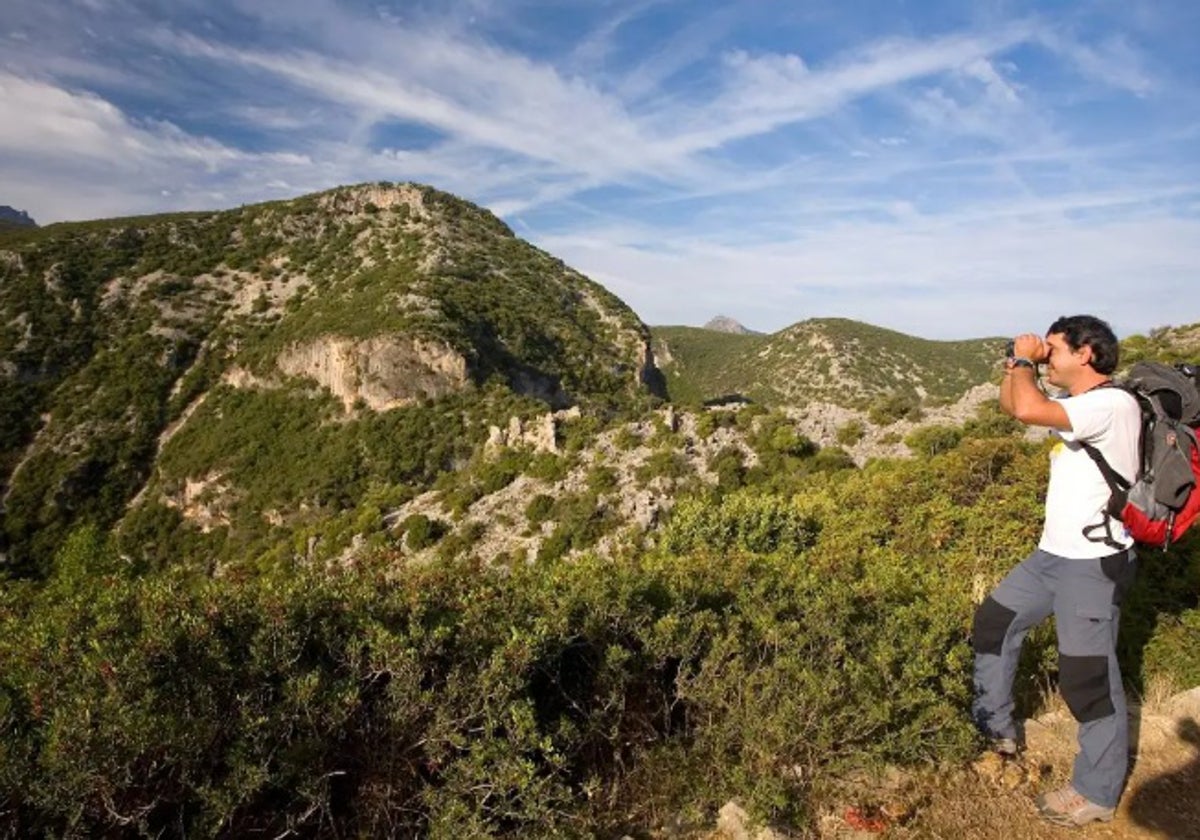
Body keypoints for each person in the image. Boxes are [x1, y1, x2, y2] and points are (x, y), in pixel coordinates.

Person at [971, 315, 1141, 827]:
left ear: (1085, 354)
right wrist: (1014, 363)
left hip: (1092, 563)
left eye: (1055, 348)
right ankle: (994, 728)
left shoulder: (1111, 405)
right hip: (1051, 555)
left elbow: (1026, 406)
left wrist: (1027, 360)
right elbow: (1015, 405)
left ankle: (1097, 791)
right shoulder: (1080, 406)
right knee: (994, 623)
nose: (1048, 355)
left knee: (1087, 676)